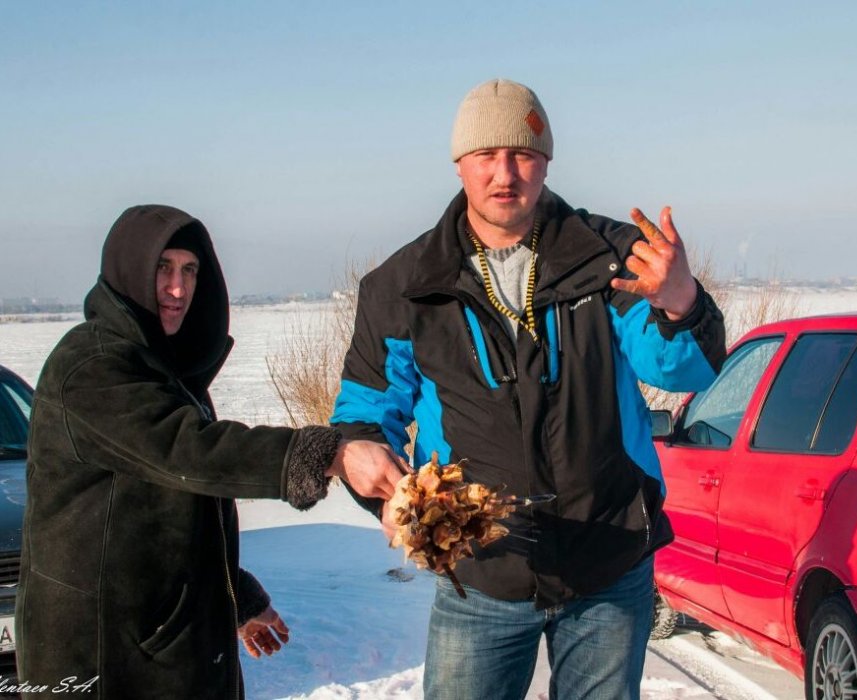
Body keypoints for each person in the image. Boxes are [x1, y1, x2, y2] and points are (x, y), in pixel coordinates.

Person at [331, 79, 727, 699]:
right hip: (480, 572)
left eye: (523, 153)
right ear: (460, 163)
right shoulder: (405, 285)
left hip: (608, 559)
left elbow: (680, 371)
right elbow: (363, 414)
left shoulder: (612, 260)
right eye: (487, 155)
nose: (504, 173)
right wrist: (381, 485)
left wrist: (680, 302)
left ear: (545, 162)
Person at [15, 204, 402, 699]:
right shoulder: (91, 368)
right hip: (105, 658)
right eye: (163, 268)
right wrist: (328, 453)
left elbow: (171, 508)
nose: (178, 288)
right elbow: (191, 452)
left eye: (190, 270)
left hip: (166, 642)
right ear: (127, 271)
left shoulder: (164, 368)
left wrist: (232, 595)